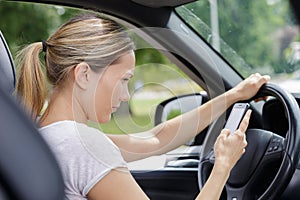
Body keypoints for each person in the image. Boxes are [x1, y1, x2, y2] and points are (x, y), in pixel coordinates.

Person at [15, 13, 270, 200]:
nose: (126, 96)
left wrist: (234, 95)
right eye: (124, 80)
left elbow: (156, 140)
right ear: (83, 75)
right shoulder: (81, 145)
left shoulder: (44, 133)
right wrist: (223, 165)